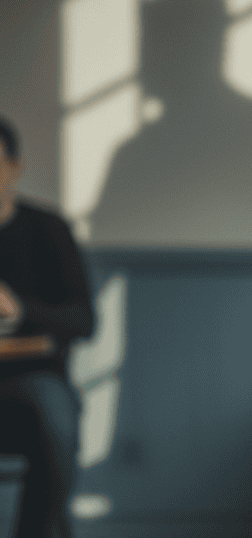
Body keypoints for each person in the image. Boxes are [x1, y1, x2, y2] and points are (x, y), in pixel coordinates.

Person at [0, 116, 96, 538]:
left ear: (15, 165)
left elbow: (84, 320)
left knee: (53, 412)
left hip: (33, 377)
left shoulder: (47, 229)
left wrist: (19, 309)